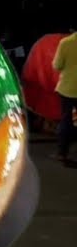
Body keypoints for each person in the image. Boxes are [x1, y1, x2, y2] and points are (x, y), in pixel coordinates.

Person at [54, 26, 77, 165]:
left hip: (68, 88)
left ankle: (62, 153)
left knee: (66, 120)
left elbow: (57, 65)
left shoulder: (66, 43)